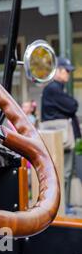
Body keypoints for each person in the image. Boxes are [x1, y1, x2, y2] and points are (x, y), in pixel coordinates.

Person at [41, 56, 81, 207]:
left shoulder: (55, 88)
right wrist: (73, 103)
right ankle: (62, 207)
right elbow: (72, 106)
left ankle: (64, 206)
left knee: (64, 173)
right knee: (63, 173)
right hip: (60, 137)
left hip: (61, 136)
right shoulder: (53, 88)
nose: (68, 74)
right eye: (66, 71)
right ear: (57, 71)